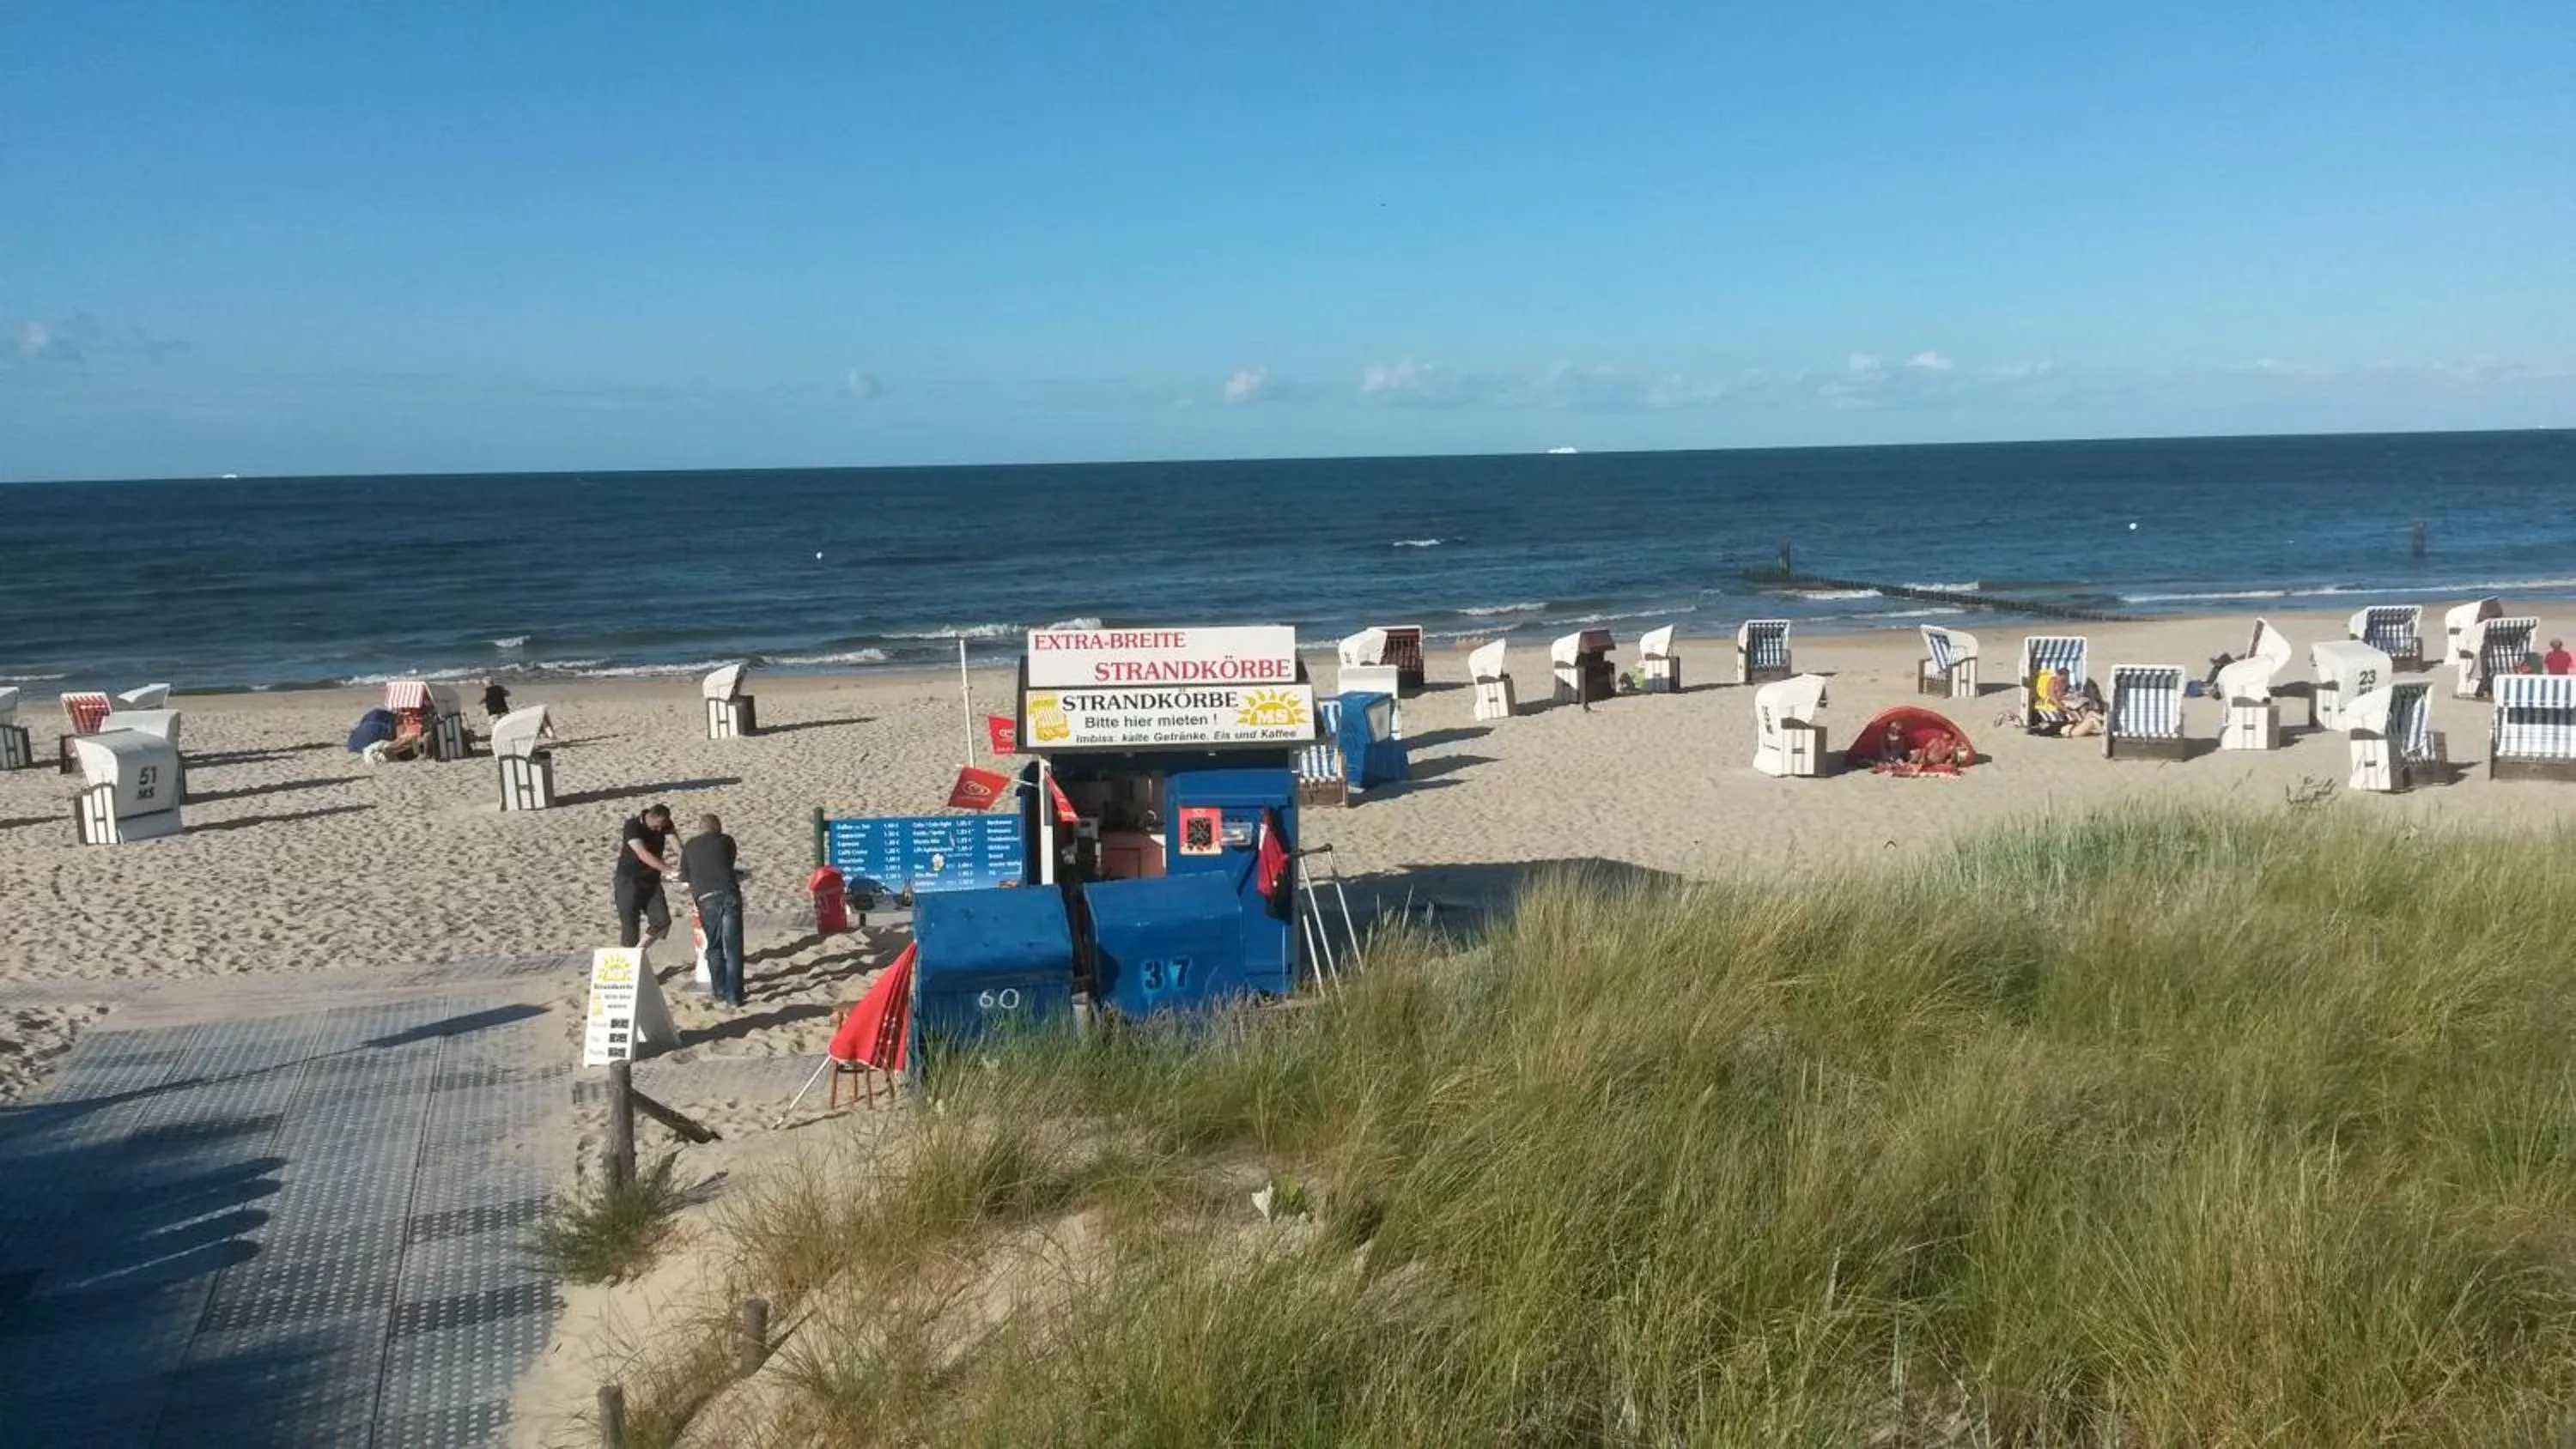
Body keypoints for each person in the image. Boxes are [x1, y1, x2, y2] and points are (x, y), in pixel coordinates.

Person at [680, 814, 746, 1008]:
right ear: (718, 828)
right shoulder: (726, 841)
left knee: (714, 945)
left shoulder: (690, 845)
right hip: (728, 893)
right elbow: (729, 863)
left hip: (706, 897)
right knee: (733, 947)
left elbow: (685, 874)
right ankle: (734, 996)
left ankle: (719, 990)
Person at [614, 804, 676, 949]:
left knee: (662, 921)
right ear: (650, 817)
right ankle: (630, 958)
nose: (660, 830)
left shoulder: (664, 825)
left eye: (662, 827)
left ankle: (638, 952)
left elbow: (676, 843)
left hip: (652, 881)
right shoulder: (633, 826)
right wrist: (668, 870)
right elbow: (642, 854)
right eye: (656, 827)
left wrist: (685, 861)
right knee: (630, 925)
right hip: (629, 880)